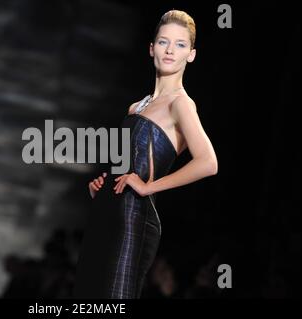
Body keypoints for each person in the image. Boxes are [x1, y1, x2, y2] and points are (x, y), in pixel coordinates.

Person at [74, 10, 218, 299]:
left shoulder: (181, 104)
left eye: (180, 44)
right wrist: (102, 189)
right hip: (107, 214)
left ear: (191, 55)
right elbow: (123, 167)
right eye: (164, 42)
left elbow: (208, 162)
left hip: (134, 220)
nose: (170, 50)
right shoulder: (135, 107)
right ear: (151, 48)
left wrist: (149, 186)